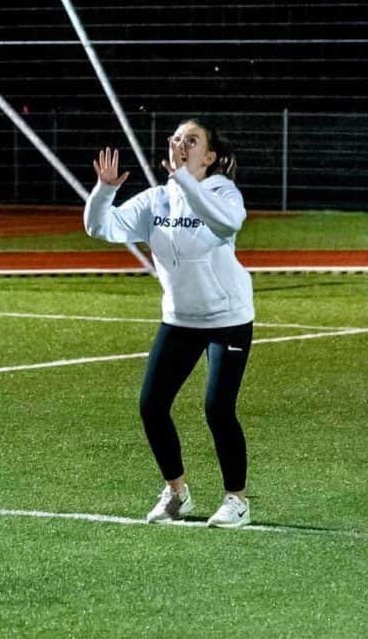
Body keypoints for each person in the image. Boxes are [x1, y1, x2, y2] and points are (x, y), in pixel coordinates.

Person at [85, 119, 256, 528]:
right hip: (180, 319)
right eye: (177, 138)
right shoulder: (156, 201)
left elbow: (227, 223)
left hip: (227, 318)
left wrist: (184, 179)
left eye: (192, 141)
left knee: (217, 408)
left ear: (209, 157)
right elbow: (99, 227)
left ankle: (237, 500)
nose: (181, 144)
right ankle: (177, 492)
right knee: (152, 405)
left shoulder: (221, 192)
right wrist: (105, 190)